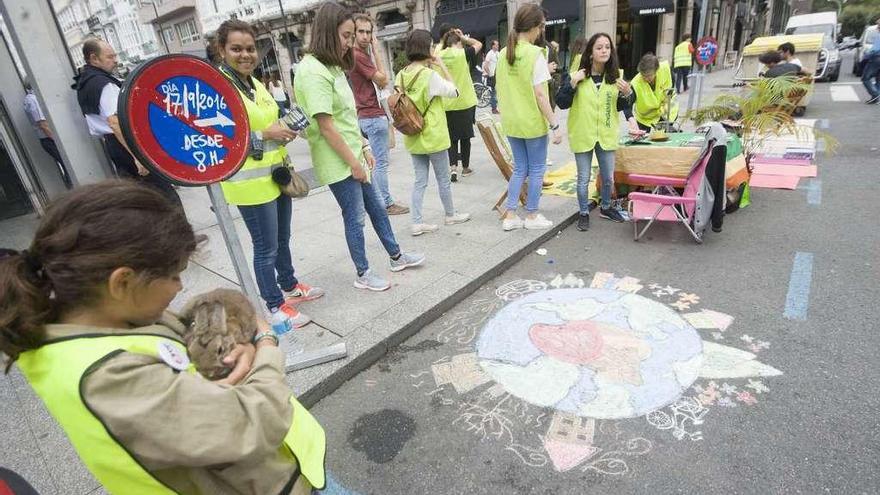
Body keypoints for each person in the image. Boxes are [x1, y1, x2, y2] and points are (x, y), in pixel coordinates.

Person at [0, 181, 328, 495]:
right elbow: (249, 425)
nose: (180, 287)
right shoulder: (108, 376)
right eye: (174, 275)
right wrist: (265, 343)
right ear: (122, 282)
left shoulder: (100, 317)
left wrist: (233, 330)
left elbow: (179, 329)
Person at [294, 2, 424, 292]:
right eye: (346, 35)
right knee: (355, 217)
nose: (350, 43)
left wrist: (364, 146)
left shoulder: (334, 66)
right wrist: (354, 163)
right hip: (338, 160)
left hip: (354, 152)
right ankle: (363, 273)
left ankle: (396, 256)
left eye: (352, 36)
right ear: (327, 32)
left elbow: (347, 117)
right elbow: (326, 126)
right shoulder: (312, 70)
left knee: (378, 207)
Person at [215, 19, 322, 330]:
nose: (245, 54)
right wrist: (266, 133)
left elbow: (270, 121)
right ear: (222, 50)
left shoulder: (254, 83)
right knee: (266, 247)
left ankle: (289, 285)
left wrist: (286, 129)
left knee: (282, 239)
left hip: (276, 176)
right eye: (236, 48)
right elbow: (221, 140)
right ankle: (275, 305)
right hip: (249, 185)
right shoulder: (220, 88)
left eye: (250, 49)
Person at [74, 38, 181, 208]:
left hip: (115, 144)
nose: (116, 60)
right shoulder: (104, 84)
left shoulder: (86, 82)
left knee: (138, 198)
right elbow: (115, 122)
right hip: (125, 143)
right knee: (164, 197)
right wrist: (137, 156)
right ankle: (178, 232)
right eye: (110, 56)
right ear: (94, 58)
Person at [557, 32, 642, 232]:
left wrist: (629, 94)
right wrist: (571, 84)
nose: (604, 50)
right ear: (591, 52)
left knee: (608, 177)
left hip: (605, 135)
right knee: (583, 179)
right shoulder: (577, 75)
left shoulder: (615, 77)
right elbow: (561, 103)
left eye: (607, 47)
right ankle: (584, 212)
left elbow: (624, 104)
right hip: (583, 134)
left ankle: (605, 207)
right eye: (599, 47)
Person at [396, 29, 471, 237]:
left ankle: (417, 222)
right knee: (443, 179)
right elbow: (455, 92)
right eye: (431, 46)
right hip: (433, 135)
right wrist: (441, 66)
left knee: (420, 180)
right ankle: (450, 215)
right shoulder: (429, 76)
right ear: (425, 49)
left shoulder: (401, 75)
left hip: (412, 135)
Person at [495, 3, 562, 231]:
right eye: (541, 27)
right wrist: (555, 125)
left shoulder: (503, 54)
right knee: (536, 169)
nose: (541, 31)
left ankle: (511, 215)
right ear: (535, 27)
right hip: (532, 123)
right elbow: (541, 95)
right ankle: (532, 215)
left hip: (512, 122)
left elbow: (499, 90)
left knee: (520, 168)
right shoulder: (536, 54)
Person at [348, 13, 409, 216]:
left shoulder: (357, 55)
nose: (365, 36)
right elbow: (383, 80)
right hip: (373, 116)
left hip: (365, 116)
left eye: (369, 32)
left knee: (373, 163)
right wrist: (376, 50)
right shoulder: (359, 55)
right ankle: (386, 203)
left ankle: (377, 201)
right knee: (380, 163)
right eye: (361, 32)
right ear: (354, 33)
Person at [438, 28, 482, 182]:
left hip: (447, 104)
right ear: (458, 43)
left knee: (452, 138)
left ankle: (452, 169)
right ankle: (465, 168)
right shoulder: (462, 53)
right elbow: (478, 44)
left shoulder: (438, 56)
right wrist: (464, 37)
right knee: (465, 137)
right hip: (464, 102)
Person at [23, 82, 72, 188]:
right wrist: (58, 141)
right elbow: (43, 124)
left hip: (49, 138)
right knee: (68, 165)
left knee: (66, 165)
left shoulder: (33, 98)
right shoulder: (33, 99)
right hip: (50, 139)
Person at [631, 54, 678, 132]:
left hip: (666, 111)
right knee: (643, 139)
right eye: (643, 76)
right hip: (645, 117)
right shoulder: (635, 83)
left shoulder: (666, 71)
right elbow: (628, 104)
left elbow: (671, 92)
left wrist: (664, 117)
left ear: (657, 70)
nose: (646, 78)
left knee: (663, 137)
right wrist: (630, 119)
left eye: (649, 75)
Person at [861, 17, 880, 104]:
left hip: (876, 59)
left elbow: (875, 50)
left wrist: (866, 56)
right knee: (879, 79)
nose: (877, 28)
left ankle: (875, 94)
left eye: (879, 26)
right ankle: (875, 98)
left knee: (865, 78)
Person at [482, 39, 500, 113]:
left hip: (498, 75)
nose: (498, 46)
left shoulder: (498, 53)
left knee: (497, 92)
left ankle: (496, 106)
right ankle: (494, 108)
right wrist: (489, 73)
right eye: (496, 44)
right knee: (494, 92)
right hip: (493, 75)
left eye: (498, 45)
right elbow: (486, 65)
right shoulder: (490, 54)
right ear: (493, 46)